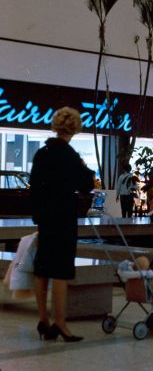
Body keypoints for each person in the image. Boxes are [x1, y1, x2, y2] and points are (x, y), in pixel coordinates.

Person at [30, 107, 94, 342]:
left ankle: (42, 320)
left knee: (43, 268)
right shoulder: (69, 155)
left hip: (45, 218)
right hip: (64, 217)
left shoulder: (42, 152)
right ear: (75, 128)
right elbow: (87, 184)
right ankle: (61, 323)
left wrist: (38, 215)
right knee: (61, 271)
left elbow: (34, 185)